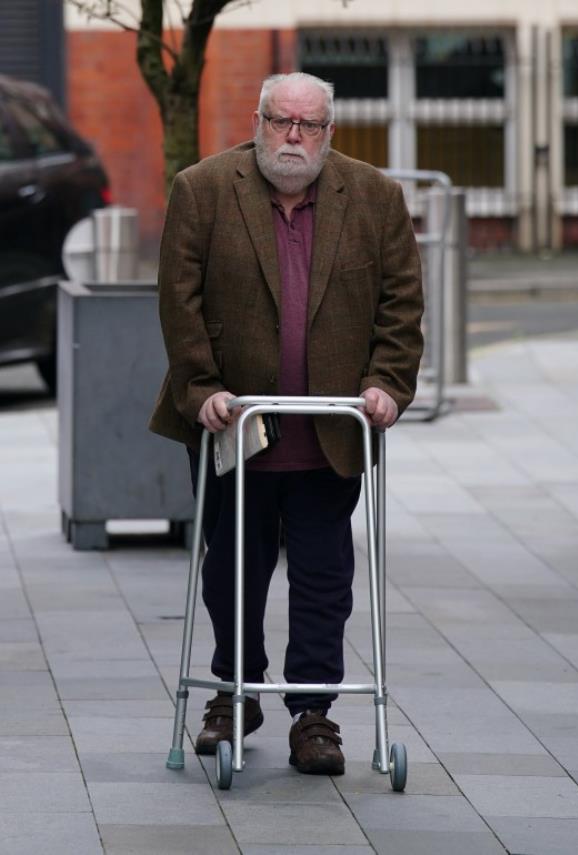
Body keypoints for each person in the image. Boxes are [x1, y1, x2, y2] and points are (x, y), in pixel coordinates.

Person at [149, 72, 423, 776]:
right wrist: (201, 387)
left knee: (324, 575)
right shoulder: (203, 190)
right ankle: (233, 693)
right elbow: (178, 303)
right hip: (234, 425)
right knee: (231, 571)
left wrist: (387, 384)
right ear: (258, 120)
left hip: (330, 428)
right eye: (280, 121)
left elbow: (401, 305)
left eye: (308, 124)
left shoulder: (375, 197)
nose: (293, 136)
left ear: (330, 131)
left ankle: (314, 712)